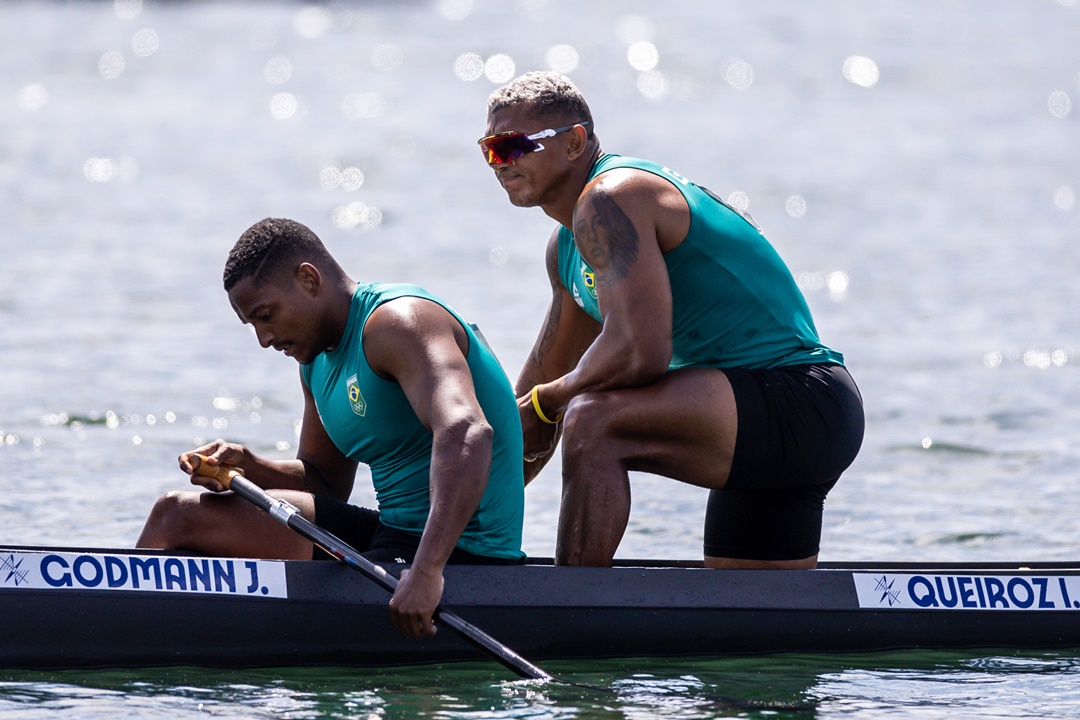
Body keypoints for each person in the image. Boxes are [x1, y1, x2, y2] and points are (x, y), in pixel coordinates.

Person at [478, 71, 864, 569]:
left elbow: (639, 353)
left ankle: (575, 607)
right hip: (753, 419)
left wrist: (550, 403)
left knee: (593, 422)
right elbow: (530, 403)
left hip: (798, 400)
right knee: (750, 626)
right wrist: (447, 535)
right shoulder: (567, 248)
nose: (500, 163)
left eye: (514, 145)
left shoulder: (610, 198)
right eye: (491, 150)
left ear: (575, 142)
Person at [137, 217, 525, 638]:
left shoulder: (396, 323)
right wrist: (250, 467)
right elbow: (324, 483)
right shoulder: (314, 363)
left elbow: (468, 431)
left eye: (267, 315)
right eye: (252, 325)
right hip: (392, 535)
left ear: (308, 279)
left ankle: (141, 641)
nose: (264, 339)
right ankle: (144, 634)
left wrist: (428, 570)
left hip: (463, 554)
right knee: (173, 516)